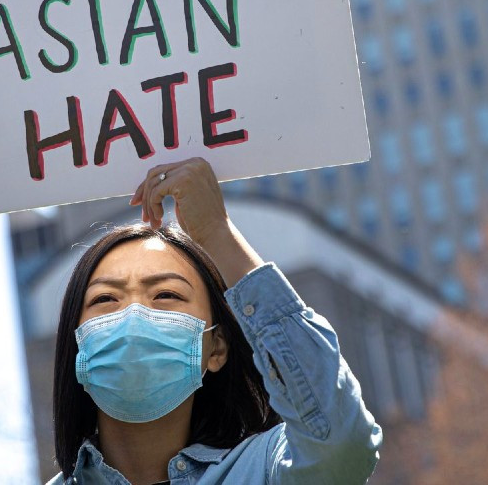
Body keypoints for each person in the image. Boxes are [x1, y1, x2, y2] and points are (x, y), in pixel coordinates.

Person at [48, 158, 382, 484]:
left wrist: (216, 233)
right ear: (78, 345)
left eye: (166, 295)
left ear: (216, 347)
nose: (134, 315)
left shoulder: (267, 469)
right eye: (105, 299)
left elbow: (342, 447)